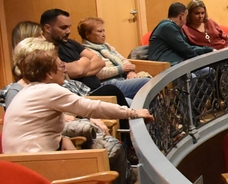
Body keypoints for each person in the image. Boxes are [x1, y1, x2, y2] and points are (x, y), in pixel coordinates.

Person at [1, 48, 152, 153]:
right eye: (61, 67)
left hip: (22, 160)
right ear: (49, 74)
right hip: (36, 161)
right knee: (110, 153)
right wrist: (132, 113)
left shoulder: (28, 90)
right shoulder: (49, 90)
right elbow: (91, 107)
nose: (64, 71)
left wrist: (62, 139)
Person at [40, 9, 148, 98]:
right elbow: (78, 70)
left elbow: (99, 62)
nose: (69, 31)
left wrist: (81, 68)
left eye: (69, 27)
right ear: (47, 28)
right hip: (87, 94)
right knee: (144, 87)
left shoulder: (70, 43)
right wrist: (85, 62)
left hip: (99, 87)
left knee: (148, 88)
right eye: (63, 28)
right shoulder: (44, 50)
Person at [76, 18, 149, 86]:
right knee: (145, 83)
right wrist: (121, 69)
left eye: (104, 31)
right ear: (87, 35)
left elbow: (123, 60)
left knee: (150, 79)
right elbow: (98, 73)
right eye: (99, 31)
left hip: (122, 77)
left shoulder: (106, 46)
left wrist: (130, 72)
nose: (104, 35)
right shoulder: (85, 51)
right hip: (108, 82)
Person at [146, 2, 215, 65]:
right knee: (208, 70)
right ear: (181, 17)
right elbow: (185, 50)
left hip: (174, 64)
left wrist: (208, 50)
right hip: (166, 67)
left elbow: (187, 47)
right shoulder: (167, 27)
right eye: (186, 17)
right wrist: (201, 62)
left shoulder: (171, 27)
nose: (186, 20)